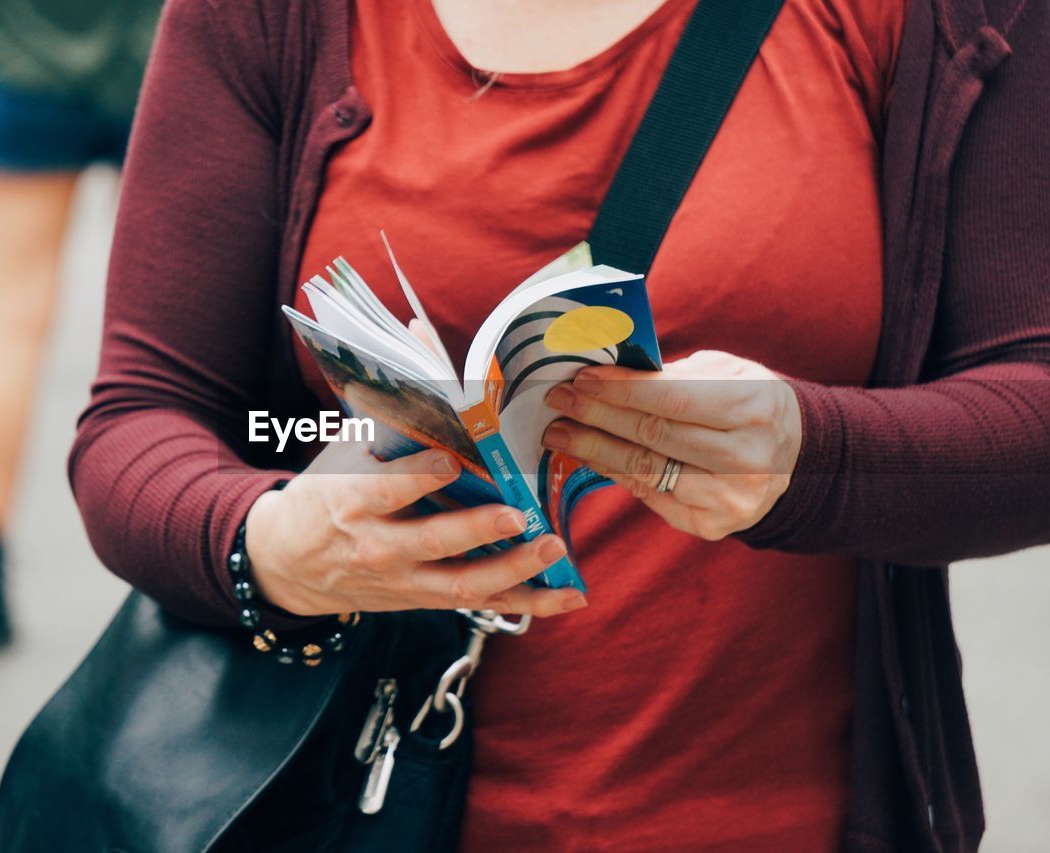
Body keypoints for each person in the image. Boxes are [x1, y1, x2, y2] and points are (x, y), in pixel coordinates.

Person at [68, 0, 1050, 849]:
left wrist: (812, 456)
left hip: (779, 816)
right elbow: (138, 419)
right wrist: (269, 547)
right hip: (354, 809)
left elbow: (1029, 404)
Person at [0, 0, 162, 650]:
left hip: (28, 66)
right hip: (153, 69)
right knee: (166, 330)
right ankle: (180, 556)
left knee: (15, 318)